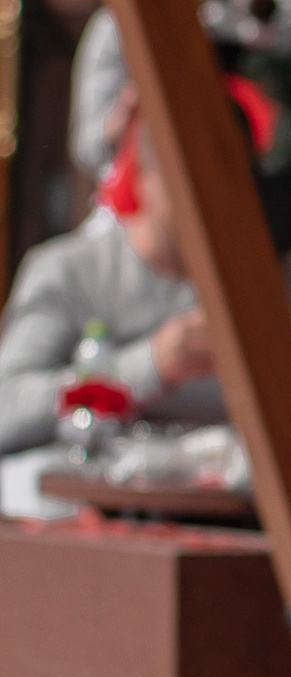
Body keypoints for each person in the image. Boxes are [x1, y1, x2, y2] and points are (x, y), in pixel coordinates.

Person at [0, 126, 226, 471]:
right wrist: (149, 365)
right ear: (142, 174)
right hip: (79, 504)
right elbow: (7, 407)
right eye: (188, 172)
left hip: (231, 507)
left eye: (227, 174)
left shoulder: (282, 283)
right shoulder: (70, 272)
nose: (209, 192)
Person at [68, 0, 245, 184]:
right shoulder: (120, 28)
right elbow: (87, 147)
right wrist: (131, 110)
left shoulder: (238, 28)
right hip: (138, 210)